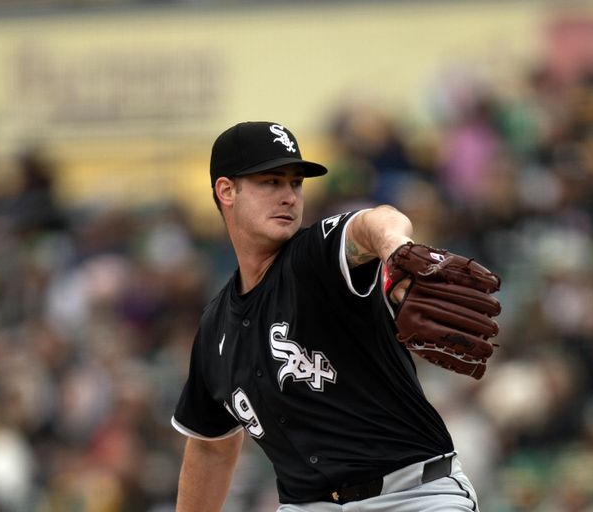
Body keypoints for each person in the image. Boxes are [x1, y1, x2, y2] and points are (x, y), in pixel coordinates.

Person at [171, 121, 483, 510]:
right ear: (226, 190)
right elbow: (209, 448)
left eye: (295, 183)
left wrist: (396, 247)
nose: (289, 196)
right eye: (271, 182)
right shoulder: (216, 326)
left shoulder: (315, 257)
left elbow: (374, 221)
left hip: (411, 495)